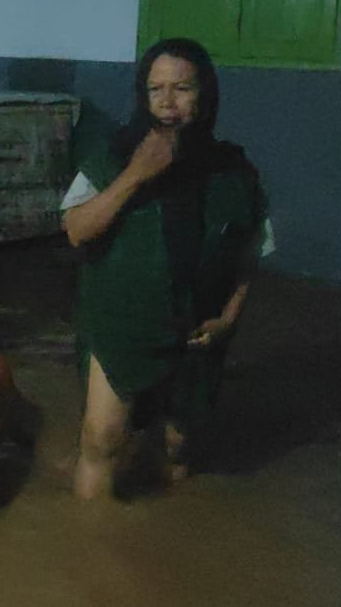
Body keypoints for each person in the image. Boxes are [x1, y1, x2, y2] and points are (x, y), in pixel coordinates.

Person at [62, 38, 273, 499]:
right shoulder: (112, 157)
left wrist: (227, 320)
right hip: (120, 325)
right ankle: (88, 548)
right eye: (156, 89)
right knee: (101, 439)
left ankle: (161, 545)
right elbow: (76, 229)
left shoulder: (233, 173)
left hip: (197, 331)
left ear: (206, 95)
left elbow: (249, 254)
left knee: (179, 447)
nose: (168, 102)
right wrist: (136, 174)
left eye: (182, 88)